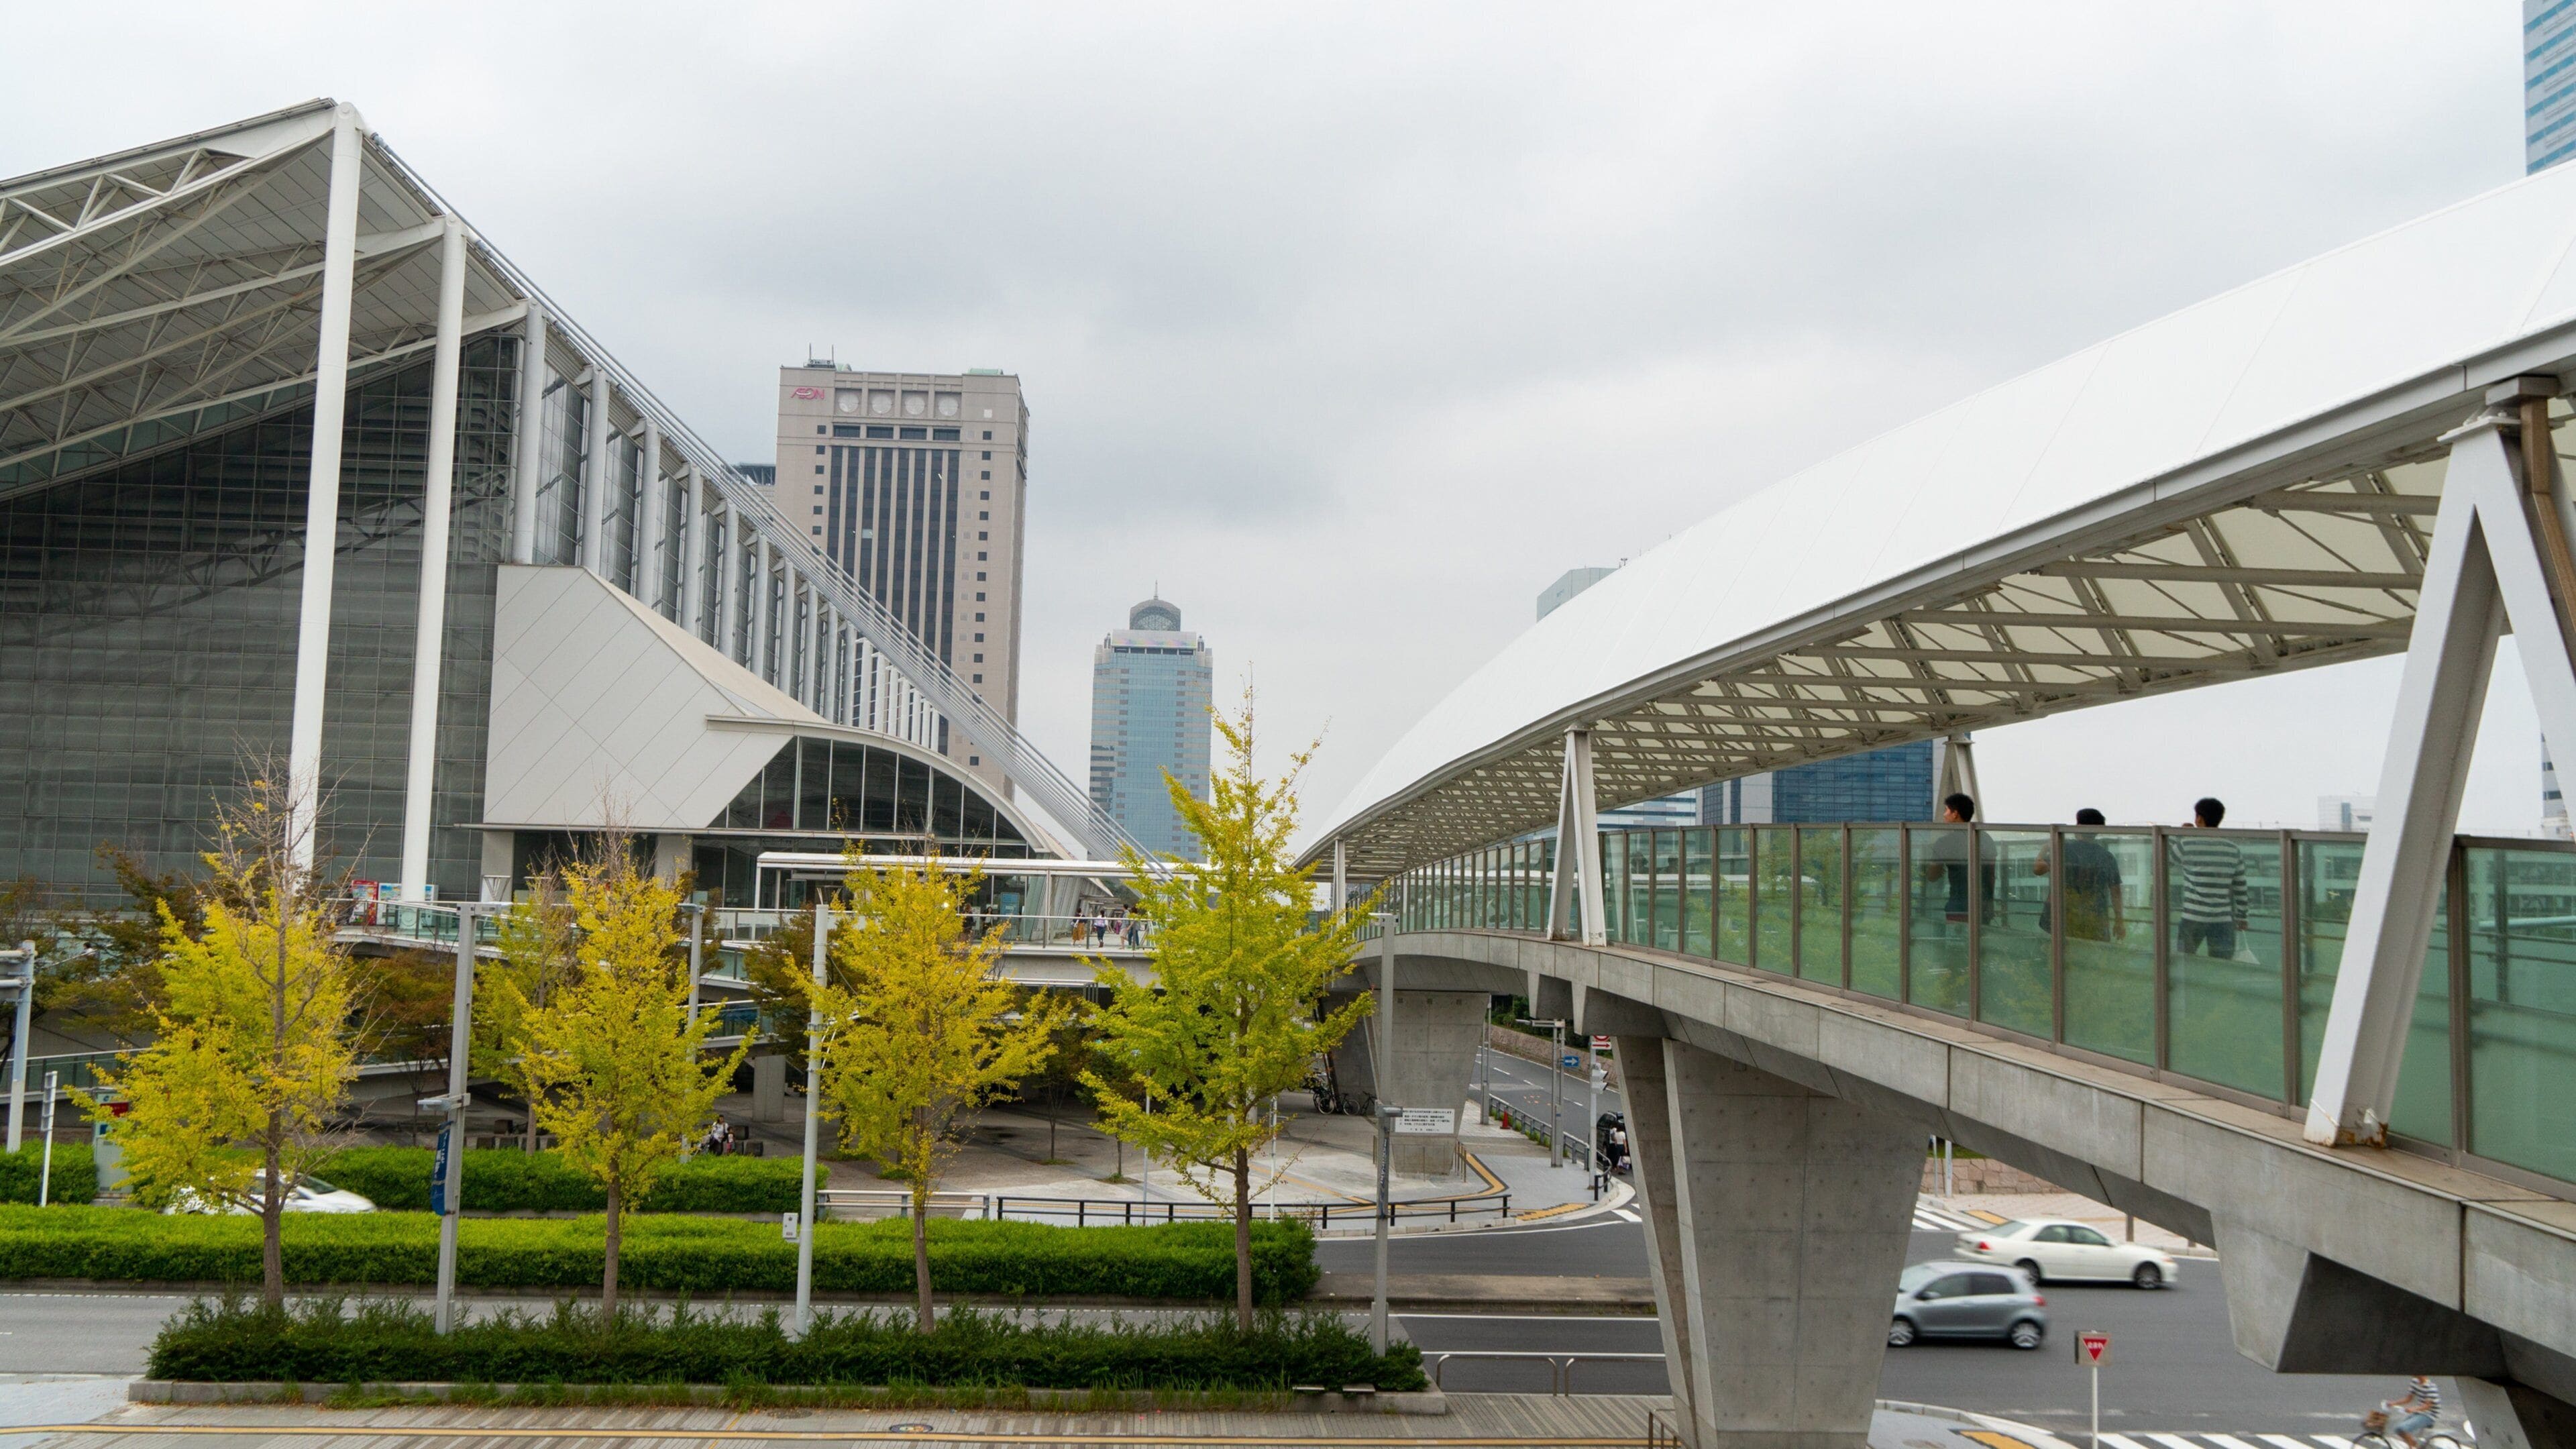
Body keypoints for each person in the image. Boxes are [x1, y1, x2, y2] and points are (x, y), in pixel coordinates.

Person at [2174, 796, 2248, 957]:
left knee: (2184, 963)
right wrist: (2242, 916)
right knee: (2221, 966)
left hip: (2192, 917)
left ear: (2199, 818)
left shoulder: (2187, 844)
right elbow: (2240, 887)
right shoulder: (2233, 849)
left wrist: (2179, 834)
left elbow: (2165, 858)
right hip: (2222, 919)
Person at [2380, 1375, 2440, 1448]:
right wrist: (2393, 1403)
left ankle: (2415, 1446)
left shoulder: (2431, 1388)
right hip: (2419, 1413)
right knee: (2398, 1430)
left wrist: (2413, 1409)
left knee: (2402, 1429)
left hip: (2429, 1415)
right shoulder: (2415, 1382)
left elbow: (2427, 1406)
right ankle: (2415, 1446)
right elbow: (2408, 1399)